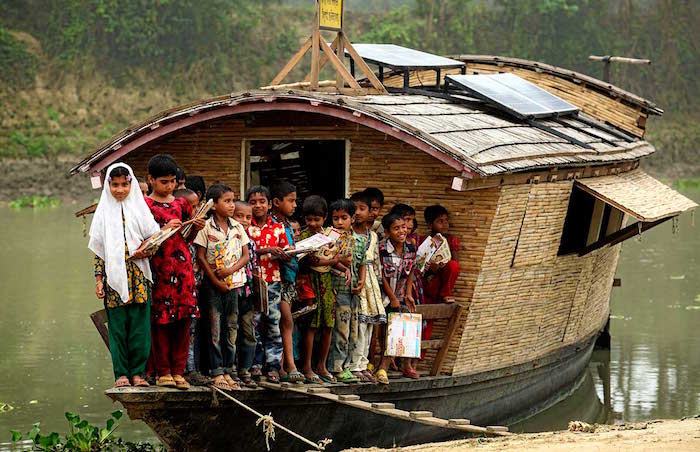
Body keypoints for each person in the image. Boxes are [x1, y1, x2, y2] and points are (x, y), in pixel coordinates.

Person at [90, 163, 172, 388]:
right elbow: (100, 251)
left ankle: (138, 373)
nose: (120, 190)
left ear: (131, 184)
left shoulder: (139, 208)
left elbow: (155, 239)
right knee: (117, 329)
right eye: (115, 185)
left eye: (124, 185)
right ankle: (121, 375)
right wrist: (99, 281)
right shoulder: (104, 212)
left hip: (139, 276)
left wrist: (145, 250)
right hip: (113, 279)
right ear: (108, 186)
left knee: (139, 328)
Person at [145, 154, 205, 390]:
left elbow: (187, 238)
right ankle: (162, 371)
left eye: (172, 182)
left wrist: (195, 227)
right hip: (159, 268)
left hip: (182, 269)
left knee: (183, 319)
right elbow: (142, 238)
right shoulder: (143, 204)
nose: (169, 187)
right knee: (161, 321)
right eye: (164, 182)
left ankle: (178, 371)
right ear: (151, 179)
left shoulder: (181, 204)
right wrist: (163, 229)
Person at [195, 184, 250, 391]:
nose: (231, 205)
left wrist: (229, 271)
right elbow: (201, 257)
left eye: (232, 200)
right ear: (214, 204)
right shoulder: (206, 228)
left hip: (233, 284)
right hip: (212, 286)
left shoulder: (237, 227)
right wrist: (216, 280)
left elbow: (245, 256)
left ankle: (228, 369)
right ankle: (216, 371)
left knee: (232, 327)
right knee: (215, 328)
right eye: (226, 201)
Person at [245, 185, 289, 383]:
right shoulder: (244, 226)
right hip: (252, 282)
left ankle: (272, 366)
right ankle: (254, 364)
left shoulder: (278, 227)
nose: (257, 206)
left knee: (273, 324)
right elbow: (244, 250)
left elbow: (286, 250)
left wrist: (286, 254)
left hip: (273, 281)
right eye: (253, 202)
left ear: (270, 204)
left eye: (262, 201)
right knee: (252, 323)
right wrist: (266, 249)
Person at [297, 195, 337, 384]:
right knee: (311, 326)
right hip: (310, 285)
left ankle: (322, 365)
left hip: (327, 285)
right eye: (309, 219)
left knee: (328, 325)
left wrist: (344, 269)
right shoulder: (304, 237)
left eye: (317, 219)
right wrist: (337, 261)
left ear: (325, 218)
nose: (313, 223)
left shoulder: (330, 237)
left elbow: (335, 256)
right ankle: (306, 366)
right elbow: (312, 261)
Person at [268, 181, 304, 383]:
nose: (294, 205)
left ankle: (285, 364)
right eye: (291, 201)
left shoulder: (288, 224)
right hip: (277, 279)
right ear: (276, 202)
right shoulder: (272, 224)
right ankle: (287, 364)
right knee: (284, 320)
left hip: (289, 279)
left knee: (285, 321)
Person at [376, 212, 418, 383]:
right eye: (396, 228)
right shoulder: (382, 249)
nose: (401, 231)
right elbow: (381, 276)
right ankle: (383, 367)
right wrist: (392, 297)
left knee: (408, 321)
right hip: (385, 296)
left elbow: (411, 272)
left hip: (400, 294)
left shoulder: (411, 249)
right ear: (387, 232)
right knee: (389, 328)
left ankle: (406, 364)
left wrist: (408, 294)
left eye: (403, 227)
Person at [328, 198, 366, 384]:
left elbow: (363, 263)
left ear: (352, 218)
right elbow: (326, 264)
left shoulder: (359, 241)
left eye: (344, 218)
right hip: (338, 289)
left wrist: (362, 282)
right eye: (336, 218)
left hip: (354, 292)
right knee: (340, 330)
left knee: (353, 330)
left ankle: (347, 366)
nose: (340, 222)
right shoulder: (330, 240)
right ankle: (336, 367)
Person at [174, 188, 209, 386]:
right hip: (179, 289)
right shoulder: (176, 231)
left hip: (195, 288)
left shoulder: (197, 230)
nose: (196, 210)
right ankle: (186, 370)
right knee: (184, 329)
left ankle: (191, 369)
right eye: (192, 206)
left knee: (193, 329)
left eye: (198, 205)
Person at [348, 191, 383, 383]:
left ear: (370, 212)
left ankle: (363, 363)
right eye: (355, 209)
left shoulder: (373, 236)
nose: (358, 213)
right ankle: (353, 365)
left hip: (371, 284)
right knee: (358, 324)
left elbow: (375, 263)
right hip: (356, 279)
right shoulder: (348, 233)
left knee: (369, 324)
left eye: (362, 209)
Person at [421, 205, 460, 341]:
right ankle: (414, 361)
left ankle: (445, 294)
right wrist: (431, 268)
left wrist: (444, 265)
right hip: (428, 286)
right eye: (440, 221)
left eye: (446, 220)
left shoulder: (450, 240)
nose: (445, 224)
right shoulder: (425, 242)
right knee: (423, 325)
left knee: (453, 265)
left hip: (442, 286)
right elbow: (419, 267)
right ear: (430, 225)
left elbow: (455, 266)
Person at [233, 201, 258, 387]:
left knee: (248, 332)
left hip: (248, 295)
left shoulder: (252, 243)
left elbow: (254, 269)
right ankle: (231, 369)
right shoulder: (228, 241)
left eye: (248, 217)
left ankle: (245, 369)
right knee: (231, 332)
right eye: (239, 216)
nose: (244, 221)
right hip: (232, 292)